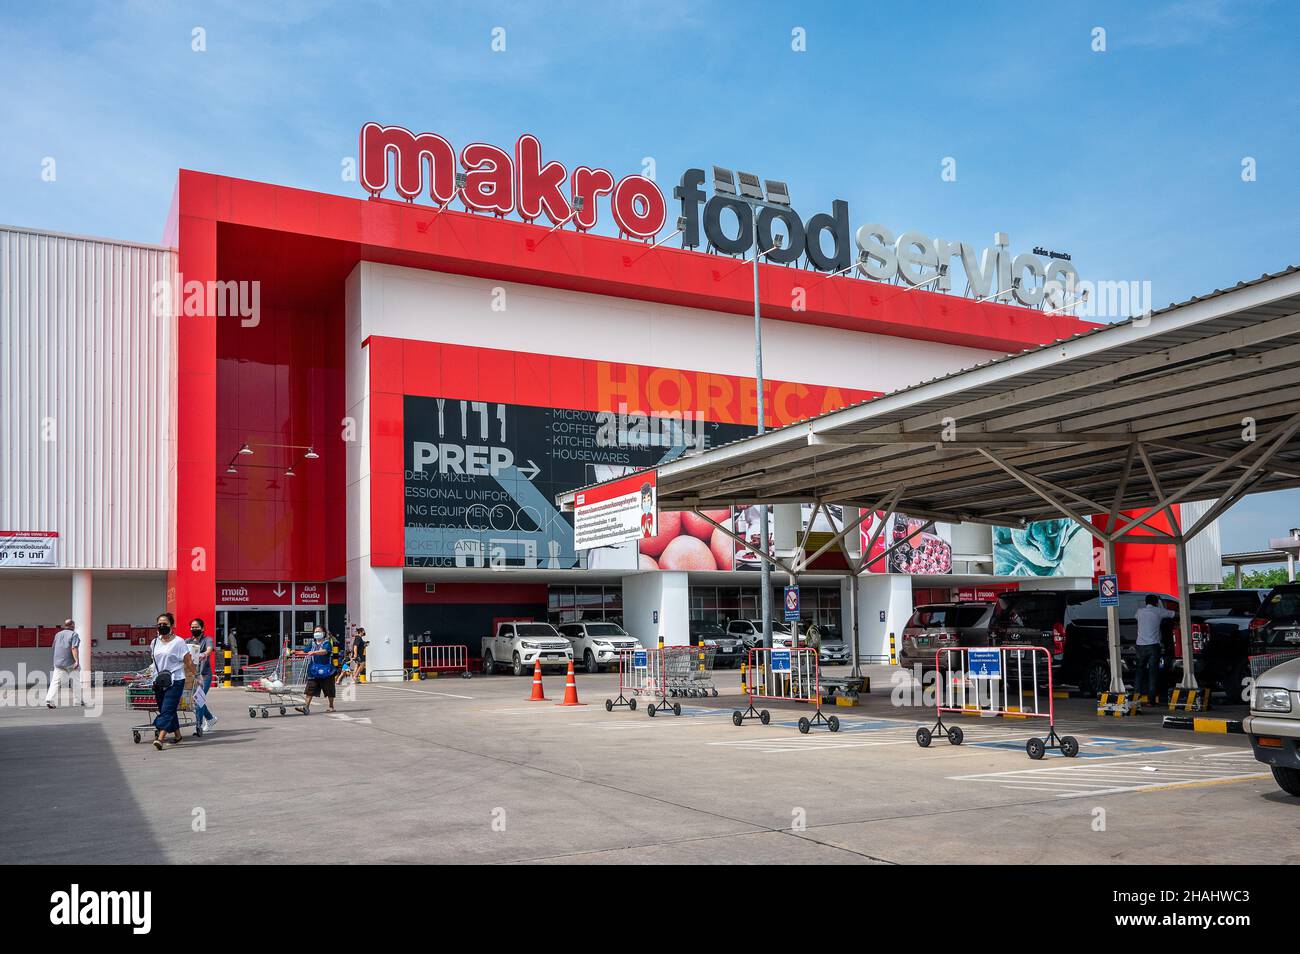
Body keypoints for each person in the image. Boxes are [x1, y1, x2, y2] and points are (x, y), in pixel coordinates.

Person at [150, 612, 195, 750]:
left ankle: (160, 738)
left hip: (176, 680)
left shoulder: (179, 642)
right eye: (159, 624)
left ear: (172, 626)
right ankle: (178, 736)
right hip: (159, 681)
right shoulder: (154, 642)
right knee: (167, 709)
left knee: (167, 709)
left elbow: (187, 661)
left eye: (165, 624)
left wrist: (196, 675)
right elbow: (154, 662)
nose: (162, 626)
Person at [1135, 594, 1175, 704]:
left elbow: (1136, 617)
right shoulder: (1159, 611)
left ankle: (1136, 697)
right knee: (1153, 672)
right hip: (1153, 646)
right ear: (1156, 602)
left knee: (1139, 672)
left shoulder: (1139, 612)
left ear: (1145, 602)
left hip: (1140, 646)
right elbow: (1172, 614)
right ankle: (1151, 700)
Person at [187, 617, 218, 732]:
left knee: (198, 699)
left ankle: (198, 725)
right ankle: (210, 719)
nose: (194, 629)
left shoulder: (207, 639)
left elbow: (209, 649)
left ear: (202, 628)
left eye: (196, 627)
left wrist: (203, 654)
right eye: (192, 627)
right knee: (196, 699)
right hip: (191, 676)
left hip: (204, 675)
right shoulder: (188, 641)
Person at [296, 626, 337, 714]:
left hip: (327, 670)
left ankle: (331, 706)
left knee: (329, 688)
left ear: (323, 633)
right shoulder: (312, 644)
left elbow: (325, 651)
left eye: (319, 631)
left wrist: (314, 652)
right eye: (315, 631)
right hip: (314, 670)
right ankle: (306, 707)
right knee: (310, 688)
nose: (317, 633)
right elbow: (305, 652)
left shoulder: (327, 643)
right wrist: (294, 652)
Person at [45, 619, 82, 709]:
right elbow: (74, 648)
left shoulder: (58, 634)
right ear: (73, 625)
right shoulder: (74, 634)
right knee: (75, 681)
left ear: (65, 625)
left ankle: (49, 699)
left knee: (55, 682)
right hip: (70, 663)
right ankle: (78, 701)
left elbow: (54, 647)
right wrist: (77, 661)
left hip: (58, 663)